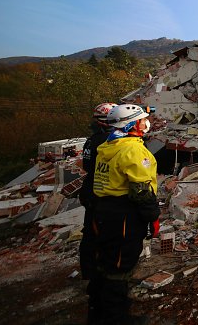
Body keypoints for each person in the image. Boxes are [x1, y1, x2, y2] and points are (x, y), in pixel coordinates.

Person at [92, 104, 160, 324]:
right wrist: (153, 216)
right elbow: (141, 190)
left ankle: (99, 312)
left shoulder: (108, 145)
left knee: (107, 261)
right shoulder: (133, 150)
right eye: (141, 120)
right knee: (120, 267)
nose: (146, 123)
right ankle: (116, 318)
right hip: (123, 215)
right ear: (131, 124)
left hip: (103, 210)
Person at [80, 102, 117, 323]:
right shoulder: (107, 141)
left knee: (90, 234)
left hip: (91, 193)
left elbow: (86, 166)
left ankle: (92, 274)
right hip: (102, 196)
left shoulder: (91, 140)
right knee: (102, 240)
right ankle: (100, 281)